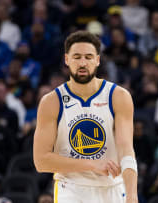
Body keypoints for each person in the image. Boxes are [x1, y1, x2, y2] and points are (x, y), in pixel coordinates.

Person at [33, 30, 138, 203]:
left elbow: (126, 150)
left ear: (97, 60)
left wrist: (132, 195)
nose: (83, 63)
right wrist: (91, 165)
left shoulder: (118, 96)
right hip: (71, 188)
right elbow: (41, 161)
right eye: (77, 57)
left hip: (113, 187)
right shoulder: (51, 102)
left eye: (88, 57)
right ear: (67, 60)